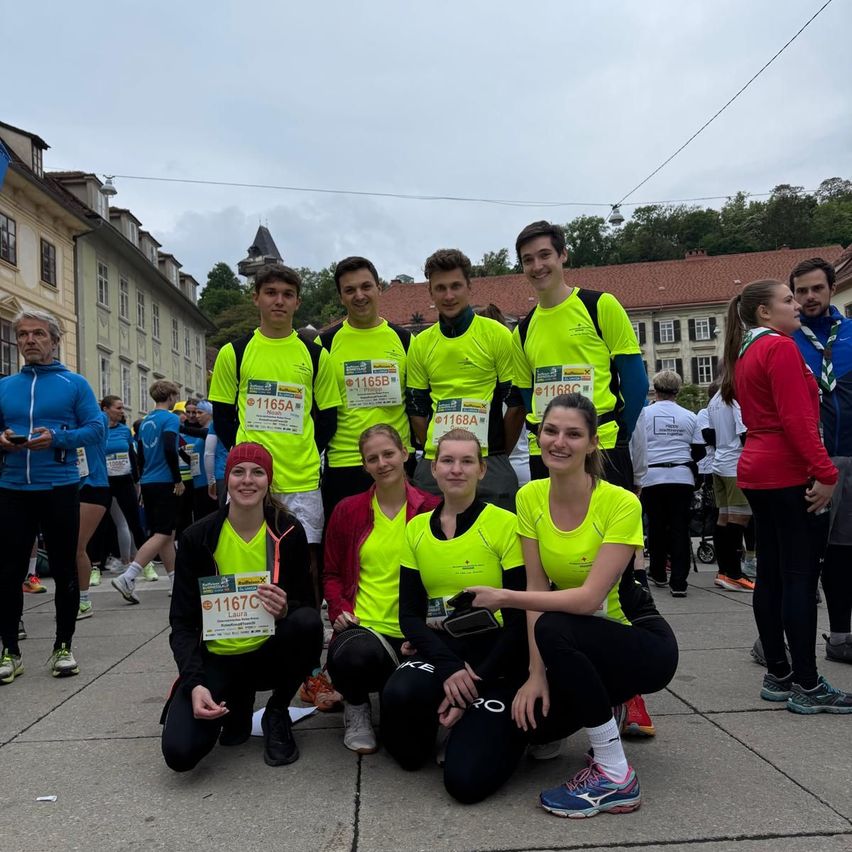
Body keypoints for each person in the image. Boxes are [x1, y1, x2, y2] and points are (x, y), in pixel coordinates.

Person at [468, 393, 678, 818]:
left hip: (640, 642)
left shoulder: (620, 503)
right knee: (535, 718)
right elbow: (537, 584)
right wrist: (535, 675)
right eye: (550, 431)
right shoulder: (529, 497)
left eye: (573, 434)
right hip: (576, 643)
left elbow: (588, 600)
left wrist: (502, 597)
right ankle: (607, 706)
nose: (559, 442)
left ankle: (615, 775)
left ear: (593, 442)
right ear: (538, 435)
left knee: (554, 627)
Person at [721, 278, 851, 713]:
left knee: (773, 573)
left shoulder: (746, 350)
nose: (797, 305)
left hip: (757, 468)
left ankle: (779, 673)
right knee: (799, 576)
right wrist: (826, 473)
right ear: (764, 311)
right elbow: (798, 421)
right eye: (788, 299)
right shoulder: (779, 348)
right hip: (786, 470)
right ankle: (808, 685)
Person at [380, 429, 529, 804]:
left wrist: (474, 681)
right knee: (404, 727)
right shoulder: (416, 529)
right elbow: (409, 616)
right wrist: (450, 669)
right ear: (434, 468)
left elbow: (518, 618)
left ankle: (511, 729)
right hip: (447, 653)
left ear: (482, 470)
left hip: (499, 660)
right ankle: (449, 717)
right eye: (447, 461)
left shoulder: (505, 524)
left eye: (467, 461)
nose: (456, 469)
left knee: (464, 783)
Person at [161, 443, 323, 771]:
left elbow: (307, 602)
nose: (247, 480)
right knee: (180, 753)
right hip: (218, 657)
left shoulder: (288, 530)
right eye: (238, 472)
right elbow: (181, 622)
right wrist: (194, 683)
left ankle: (276, 712)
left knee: (307, 622)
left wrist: (284, 609)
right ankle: (236, 700)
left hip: (268, 653)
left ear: (268, 481)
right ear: (227, 478)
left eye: (257, 472)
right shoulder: (198, 537)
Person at [209, 263, 341, 601]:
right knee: (246, 556)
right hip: (250, 480)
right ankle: (249, 632)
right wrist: (248, 462)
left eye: (287, 295)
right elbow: (224, 419)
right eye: (271, 293)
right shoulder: (233, 353)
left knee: (307, 559)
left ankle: (309, 629)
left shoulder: (315, 355)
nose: (279, 301)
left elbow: (327, 419)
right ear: (256, 298)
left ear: (297, 302)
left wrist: (304, 450)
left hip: (301, 479)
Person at [0, 310, 104, 683]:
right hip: (12, 488)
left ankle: (64, 645)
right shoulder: (5, 386)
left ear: (54, 341)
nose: (30, 340)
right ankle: (10, 650)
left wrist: (57, 438)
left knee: (63, 567)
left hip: (58, 486)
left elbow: (96, 427)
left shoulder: (73, 383)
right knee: (8, 572)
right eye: (24, 334)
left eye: (39, 334)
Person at [324, 424, 439, 753]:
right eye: (372, 458)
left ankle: (402, 701)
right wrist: (338, 609)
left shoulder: (432, 508)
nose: (382, 463)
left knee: (410, 754)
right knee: (353, 655)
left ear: (404, 453)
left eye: (388, 454)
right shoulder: (348, 510)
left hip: (415, 633)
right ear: (364, 465)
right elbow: (331, 572)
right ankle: (356, 705)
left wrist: (429, 629)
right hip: (365, 629)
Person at [506, 221, 647, 487]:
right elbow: (529, 397)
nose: (537, 266)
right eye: (528, 260)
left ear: (563, 255)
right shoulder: (522, 331)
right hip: (546, 453)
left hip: (601, 445)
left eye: (545, 255)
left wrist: (619, 432)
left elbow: (637, 384)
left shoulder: (601, 306)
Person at [406, 249, 521, 511]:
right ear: (431, 292)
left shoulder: (497, 334)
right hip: (437, 463)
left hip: (490, 460)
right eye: (441, 288)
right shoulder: (421, 343)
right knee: (433, 541)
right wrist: (436, 453)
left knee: (498, 542)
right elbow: (416, 408)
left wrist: (499, 450)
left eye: (456, 286)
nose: (449, 295)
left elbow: (515, 403)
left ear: (469, 286)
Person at [790, 258, 852, 664]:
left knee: (844, 550)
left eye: (817, 289)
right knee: (798, 555)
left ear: (831, 289)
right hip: (800, 461)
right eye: (801, 291)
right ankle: (780, 642)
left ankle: (842, 636)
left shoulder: (850, 333)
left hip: (847, 454)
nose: (810, 297)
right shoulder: (786, 336)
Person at [318, 257, 413, 519]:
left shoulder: (405, 340)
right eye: (349, 290)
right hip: (345, 462)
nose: (359, 296)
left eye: (366, 287)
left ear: (378, 288)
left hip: (396, 460)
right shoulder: (324, 343)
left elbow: (418, 403)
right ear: (340, 297)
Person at [112, 380, 184, 603]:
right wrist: (178, 479)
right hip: (164, 482)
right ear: (171, 396)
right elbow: (170, 448)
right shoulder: (170, 418)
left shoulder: (145, 421)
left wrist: (142, 482)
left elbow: (140, 455)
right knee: (162, 533)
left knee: (166, 534)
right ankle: (129, 575)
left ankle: (175, 581)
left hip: (150, 481)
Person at [640, 370, 699, 597]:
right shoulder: (689, 416)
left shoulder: (644, 414)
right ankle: (679, 581)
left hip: (652, 477)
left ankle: (658, 571)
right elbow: (698, 449)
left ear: (655, 389)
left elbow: (638, 446)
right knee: (679, 528)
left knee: (656, 526)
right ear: (678, 389)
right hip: (681, 476)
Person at [704, 381, 754, 591]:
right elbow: (744, 433)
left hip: (720, 462)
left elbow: (712, 434)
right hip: (735, 464)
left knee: (723, 518)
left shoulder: (715, 399)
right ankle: (734, 573)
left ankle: (724, 571)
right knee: (740, 518)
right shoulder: (733, 396)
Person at [98, 396, 150, 581]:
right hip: (103, 482)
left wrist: (138, 483)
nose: (122, 411)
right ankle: (96, 567)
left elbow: (132, 456)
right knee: (102, 524)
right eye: (118, 407)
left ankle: (146, 565)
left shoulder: (124, 431)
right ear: (105, 409)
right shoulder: (98, 431)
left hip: (125, 481)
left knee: (134, 522)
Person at [75, 402, 110, 619]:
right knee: (69, 547)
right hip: (73, 486)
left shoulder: (98, 419)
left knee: (77, 546)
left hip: (94, 486)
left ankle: (83, 601)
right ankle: (75, 598)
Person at [190, 401, 217, 521]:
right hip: (198, 482)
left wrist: (179, 427)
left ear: (210, 413)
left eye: (200, 412)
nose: (197, 415)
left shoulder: (211, 431)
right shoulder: (201, 432)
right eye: (196, 413)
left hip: (208, 483)